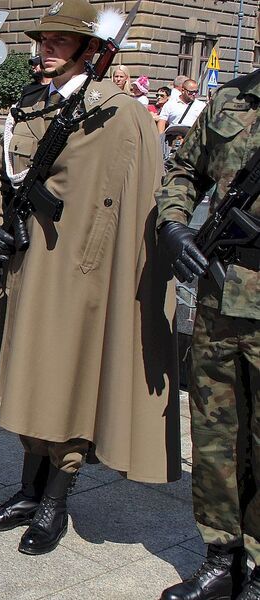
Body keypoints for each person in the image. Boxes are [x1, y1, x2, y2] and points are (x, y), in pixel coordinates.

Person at [0, 0, 181, 556]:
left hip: (80, 277)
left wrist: (105, 273)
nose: (45, 49)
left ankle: (54, 501)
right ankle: (26, 488)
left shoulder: (120, 115)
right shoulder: (31, 104)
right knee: (26, 377)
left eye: (60, 42)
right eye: (43, 40)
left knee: (65, 382)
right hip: (25, 267)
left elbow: (138, 208)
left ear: (93, 51)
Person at [155, 68, 260, 600]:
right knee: (216, 434)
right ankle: (221, 555)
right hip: (221, 295)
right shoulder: (230, 98)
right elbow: (182, 167)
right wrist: (174, 223)